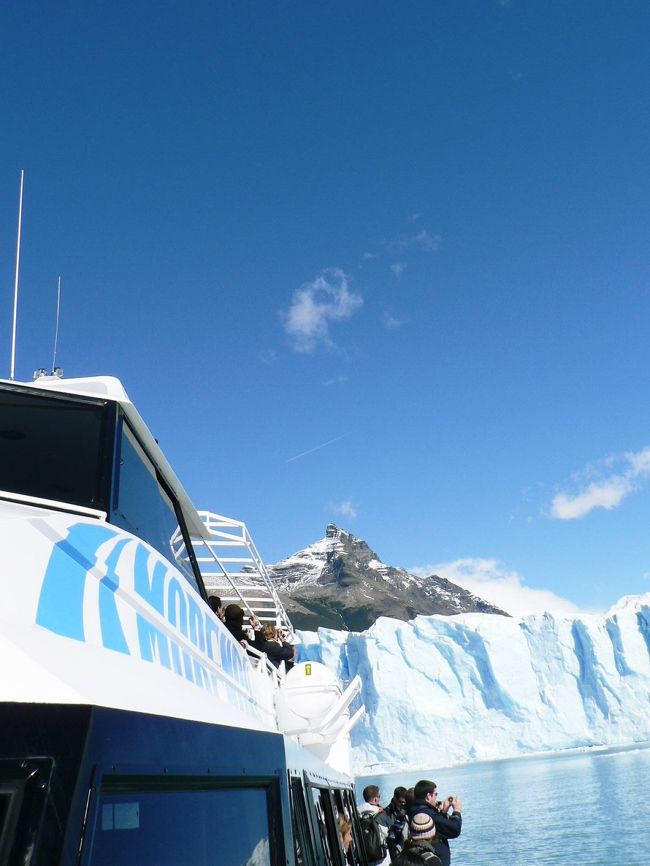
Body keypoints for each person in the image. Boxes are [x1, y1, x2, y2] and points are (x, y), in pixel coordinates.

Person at [407, 780, 461, 866]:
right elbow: (454, 829)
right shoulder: (427, 814)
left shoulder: (414, 809)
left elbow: (440, 829)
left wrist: (443, 812)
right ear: (428, 796)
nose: (436, 797)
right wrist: (457, 811)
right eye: (435, 794)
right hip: (434, 860)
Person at [357, 785, 391, 866]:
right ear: (375, 799)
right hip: (380, 857)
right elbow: (385, 833)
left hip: (364, 856)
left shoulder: (356, 812)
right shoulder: (380, 813)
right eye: (379, 796)